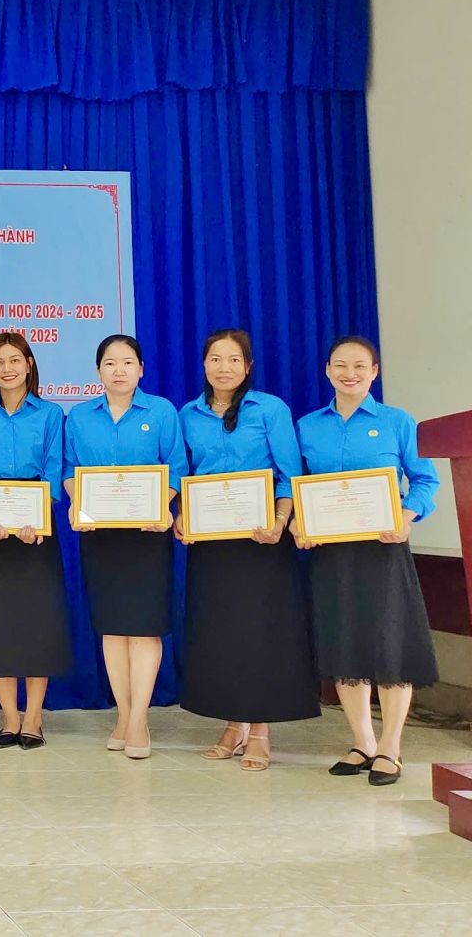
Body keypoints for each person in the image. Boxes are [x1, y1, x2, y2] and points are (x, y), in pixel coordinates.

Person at [295, 336, 439, 786]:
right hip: (331, 552)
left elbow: (425, 479)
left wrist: (407, 517)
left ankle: (391, 747)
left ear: (374, 372)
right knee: (345, 646)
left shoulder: (397, 422)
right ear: (327, 370)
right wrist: (299, 523)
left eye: (360, 365)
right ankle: (362, 743)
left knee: (389, 645)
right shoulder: (308, 426)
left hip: (383, 548)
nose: (349, 373)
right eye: (340, 365)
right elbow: (297, 484)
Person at [177, 329, 318, 771]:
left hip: (262, 539)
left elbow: (289, 473)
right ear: (204, 365)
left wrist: (280, 520)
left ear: (248, 366)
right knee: (222, 634)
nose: (224, 368)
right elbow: (184, 474)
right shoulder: (188, 414)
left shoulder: (270, 409)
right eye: (216, 359)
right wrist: (182, 515)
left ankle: (259, 730)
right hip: (212, 543)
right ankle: (233, 724)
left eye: (234, 360)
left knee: (260, 634)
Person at [63, 335, 186, 760]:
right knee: (113, 628)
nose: (119, 370)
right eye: (110, 363)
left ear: (141, 369)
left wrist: (162, 503)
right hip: (101, 536)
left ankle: (139, 720)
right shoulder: (80, 417)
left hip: (147, 535)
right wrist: (77, 501)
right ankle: (122, 714)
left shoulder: (162, 412)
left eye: (128, 362)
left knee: (145, 628)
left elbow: (176, 468)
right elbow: (70, 470)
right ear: (98, 371)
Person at [0, 332, 72, 750]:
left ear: (29, 365)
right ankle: (9, 717)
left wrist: (37, 517)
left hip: (34, 530)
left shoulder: (50, 414)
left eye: (14, 360)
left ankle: (34, 717)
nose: (6, 369)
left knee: (36, 625)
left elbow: (53, 470)